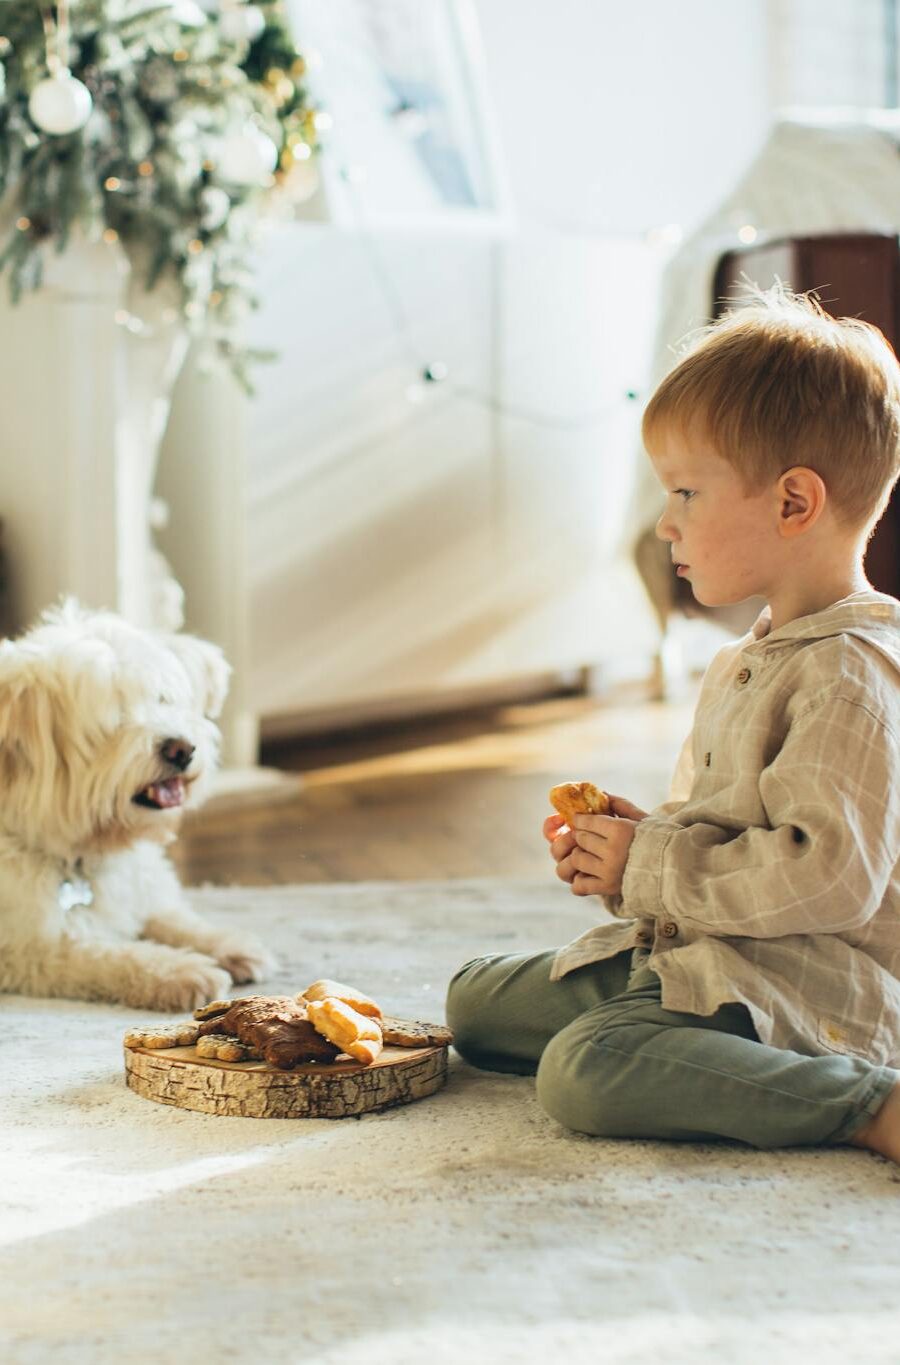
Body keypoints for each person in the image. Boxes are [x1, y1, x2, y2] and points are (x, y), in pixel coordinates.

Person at [445, 287, 900, 1160]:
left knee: (587, 1068)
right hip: (719, 952)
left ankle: (870, 1102)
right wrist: (641, 838)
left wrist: (651, 862)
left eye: (687, 491)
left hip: (813, 988)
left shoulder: (850, 673)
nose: (666, 523)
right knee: (474, 1003)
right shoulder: (756, 654)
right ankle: (679, 1041)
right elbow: (738, 829)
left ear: (794, 503)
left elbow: (826, 880)